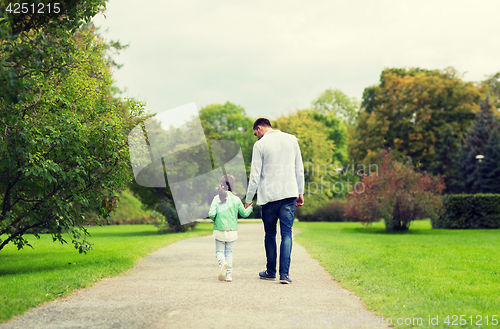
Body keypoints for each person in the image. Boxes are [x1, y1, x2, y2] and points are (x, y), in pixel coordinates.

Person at [245, 118, 304, 284]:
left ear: (260, 128)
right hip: (289, 193)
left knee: (270, 234)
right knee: (287, 234)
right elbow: (299, 168)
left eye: (256, 133)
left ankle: (271, 271)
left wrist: (249, 199)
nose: (256, 137)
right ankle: (284, 275)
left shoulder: (260, 145)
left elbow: (255, 175)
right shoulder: (292, 139)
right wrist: (300, 192)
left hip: (269, 197)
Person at [209, 174, 253, 282]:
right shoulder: (236, 199)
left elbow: (211, 214)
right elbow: (244, 213)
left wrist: (216, 219)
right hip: (232, 231)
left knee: (219, 251)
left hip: (219, 230)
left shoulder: (216, 198)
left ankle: (223, 263)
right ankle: (228, 275)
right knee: (229, 252)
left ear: (221, 185)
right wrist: (250, 208)